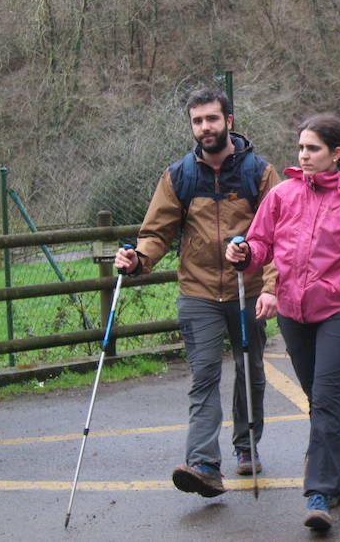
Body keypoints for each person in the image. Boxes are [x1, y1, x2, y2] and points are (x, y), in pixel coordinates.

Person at [225, 113, 340, 532]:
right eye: (301, 148)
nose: (304, 155)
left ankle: (318, 494)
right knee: (318, 400)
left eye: (313, 148)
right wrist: (244, 253)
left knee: (325, 398)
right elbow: (260, 242)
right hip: (294, 313)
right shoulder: (282, 195)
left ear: (336, 153)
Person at [114, 89, 280, 498]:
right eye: (197, 121)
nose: (205, 127)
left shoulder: (259, 173)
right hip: (198, 291)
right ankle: (203, 463)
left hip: (247, 289)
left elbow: (279, 234)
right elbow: (157, 233)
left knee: (250, 371)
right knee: (204, 374)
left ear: (229, 121)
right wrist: (138, 259)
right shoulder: (179, 176)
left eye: (212, 118)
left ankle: (247, 445)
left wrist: (271, 287)